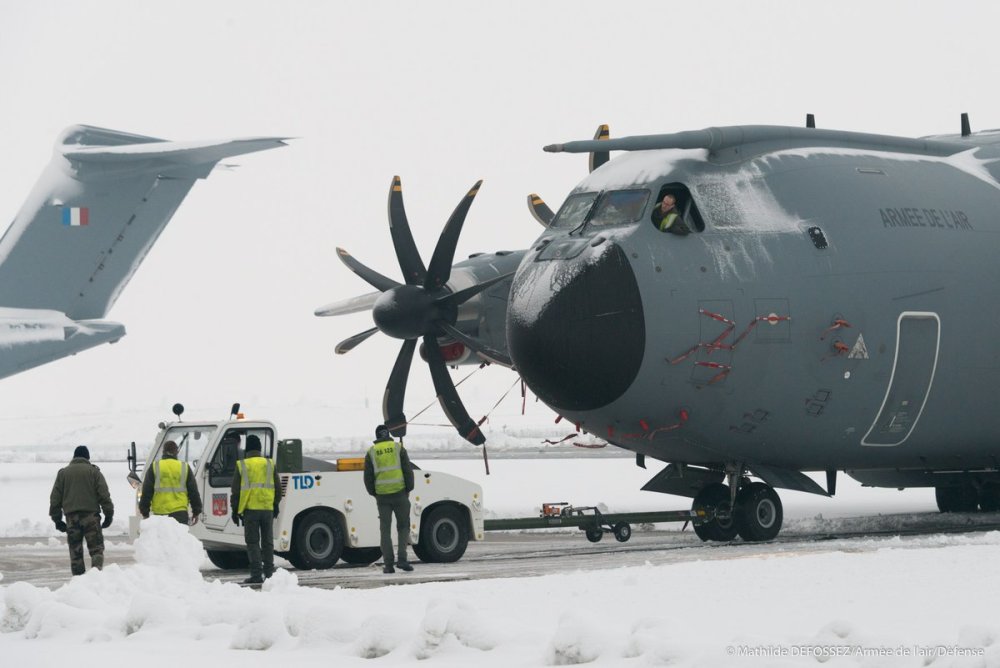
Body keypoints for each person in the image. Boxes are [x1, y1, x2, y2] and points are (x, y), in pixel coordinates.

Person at [48, 445, 114, 576]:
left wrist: (57, 520)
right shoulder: (94, 472)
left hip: (71, 518)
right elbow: (104, 495)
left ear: (74, 457)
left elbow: (55, 499)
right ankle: (96, 578)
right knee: (96, 550)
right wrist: (108, 515)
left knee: (76, 553)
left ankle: (78, 583)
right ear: (87, 458)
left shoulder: (63, 473)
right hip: (91, 517)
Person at [230, 434, 282, 584]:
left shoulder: (242, 465)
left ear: (248, 449)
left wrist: (234, 510)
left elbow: (236, 491)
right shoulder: (269, 464)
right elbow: (278, 488)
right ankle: (269, 573)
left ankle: (256, 574)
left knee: (253, 542)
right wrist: (276, 504)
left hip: (250, 510)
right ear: (259, 449)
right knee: (268, 541)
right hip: (267, 509)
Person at [364, 424, 415, 574]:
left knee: (385, 531)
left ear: (377, 435)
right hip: (400, 494)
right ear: (388, 433)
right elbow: (407, 470)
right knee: (403, 527)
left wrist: (375, 493)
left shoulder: (371, 452)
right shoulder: (398, 448)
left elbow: (368, 477)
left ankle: (388, 565)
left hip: (382, 497)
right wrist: (408, 489)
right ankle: (402, 560)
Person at [138, 440, 203, 525]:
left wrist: (145, 512)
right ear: (176, 452)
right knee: (179, 538)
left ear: (163, 452)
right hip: (180, 514)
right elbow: (193, 492)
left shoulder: (155, 466)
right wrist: (196, 511)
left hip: (160, 515)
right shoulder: (184, 467)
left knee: (162, 538)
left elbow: (147, 491)